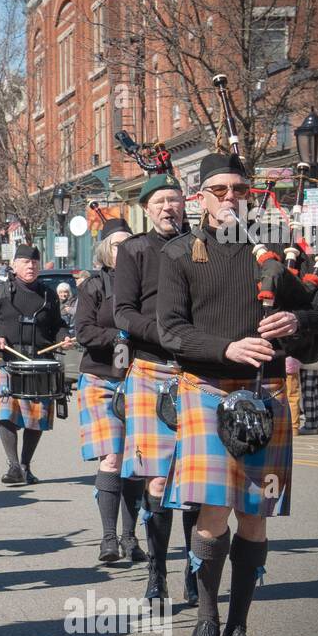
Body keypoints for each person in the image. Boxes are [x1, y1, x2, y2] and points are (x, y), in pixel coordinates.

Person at [158, 152, 318, 636]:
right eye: (219, 190)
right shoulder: (178, 256)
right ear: (200, 197)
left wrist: (296, 321)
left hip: (266, 397)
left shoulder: (277, 250)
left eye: (239, 188)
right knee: (214, 512)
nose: (230, 198)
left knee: (255, 516)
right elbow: (171, 328)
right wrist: (227, 349)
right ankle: (206, 620)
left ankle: (239, 632)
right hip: (208, 388)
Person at [113, 173, 199, 604]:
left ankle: (195, 570)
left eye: (175, 200)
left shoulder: (202, 246)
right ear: (145, 208)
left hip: (198, 371)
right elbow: (123, 313)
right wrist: (166, 334)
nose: (169, 207)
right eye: (160, 201)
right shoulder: (134, 250)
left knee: (197, 483)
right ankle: (157, 571)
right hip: (151, 370)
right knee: (159, 484)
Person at [75, 220, 146, 568]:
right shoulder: (94, 285)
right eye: (116, 245)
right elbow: (83, 331)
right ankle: (108, 537)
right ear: (105, 250)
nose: (123, 250)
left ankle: (131, 538)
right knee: (112, 460)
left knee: (135, 464)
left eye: (129, 244)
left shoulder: (147, 284)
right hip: (101, 379)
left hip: (140, 380)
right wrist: (119, 338)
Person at [0, 244, 74, 485]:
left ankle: (25, 465)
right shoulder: (1, 292)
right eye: (26, 262)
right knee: (6, 414)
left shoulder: (48, 294)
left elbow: (58, 324)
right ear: (15, 265)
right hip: (9, 359)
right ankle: (12, 466)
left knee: (36, 417)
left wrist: (63, 338)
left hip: (40, 360)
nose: (31, 266)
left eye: (35, 263)